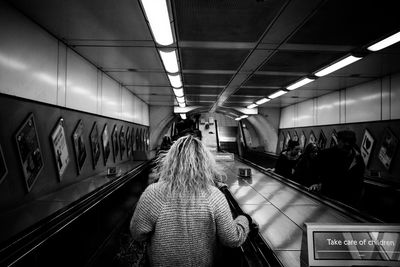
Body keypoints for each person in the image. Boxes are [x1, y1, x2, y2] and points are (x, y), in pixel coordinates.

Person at [130, 135, 252, 267]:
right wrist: (244, 220)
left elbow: (137, 233)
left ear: (170, 160)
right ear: (204, 162)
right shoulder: (214, 196)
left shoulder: (153, 193)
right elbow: (232, 239)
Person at [317, 130, 365, 206]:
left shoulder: (358, 158)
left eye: (350, 141)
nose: (347, 144)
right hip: (328, 199)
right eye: (344, 141)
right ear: (338, 140)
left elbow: (359, 180)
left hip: (349, 201)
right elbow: (317, 173)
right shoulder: (326, 155)